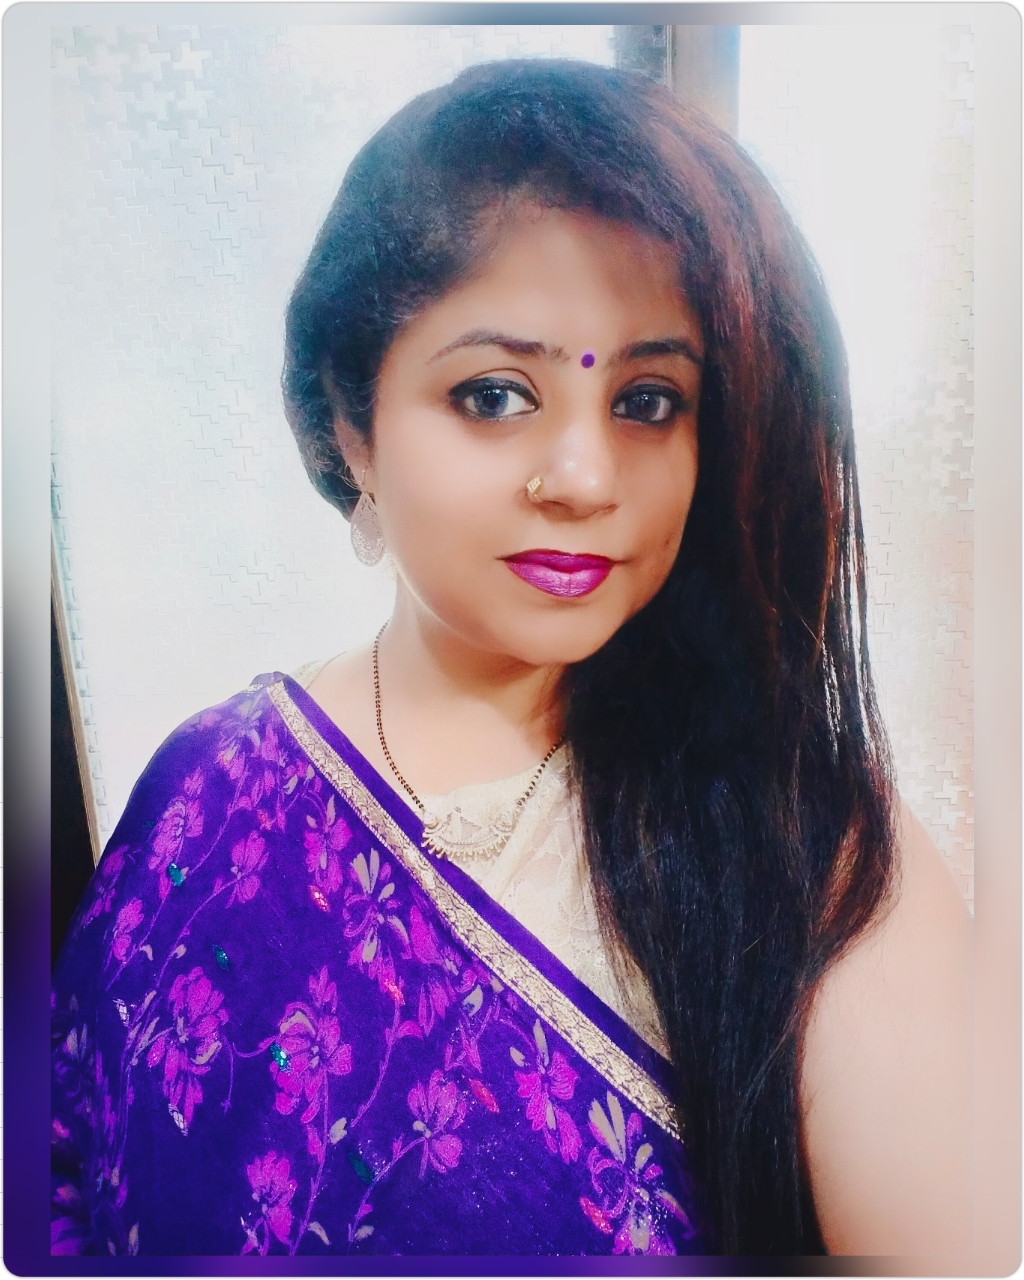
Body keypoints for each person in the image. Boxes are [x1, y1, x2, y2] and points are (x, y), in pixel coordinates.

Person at [51, 58, 971, 1258]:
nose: (583, 479)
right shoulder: (212, 784)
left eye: (648, 400)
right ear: (350, 426)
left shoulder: (808, 851)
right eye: (493, 394)